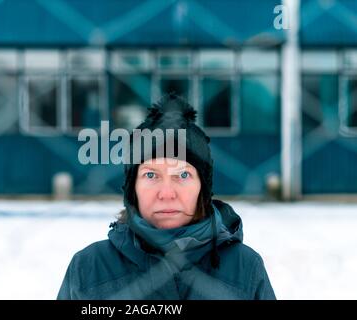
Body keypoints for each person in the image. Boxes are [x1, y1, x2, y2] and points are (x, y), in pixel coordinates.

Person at [57, 93, 276, 300]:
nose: (167, 193)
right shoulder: (89, 267)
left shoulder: (245, 268)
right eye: (151, 175)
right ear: (132, 189)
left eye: (182, 174)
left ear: (203, 189)